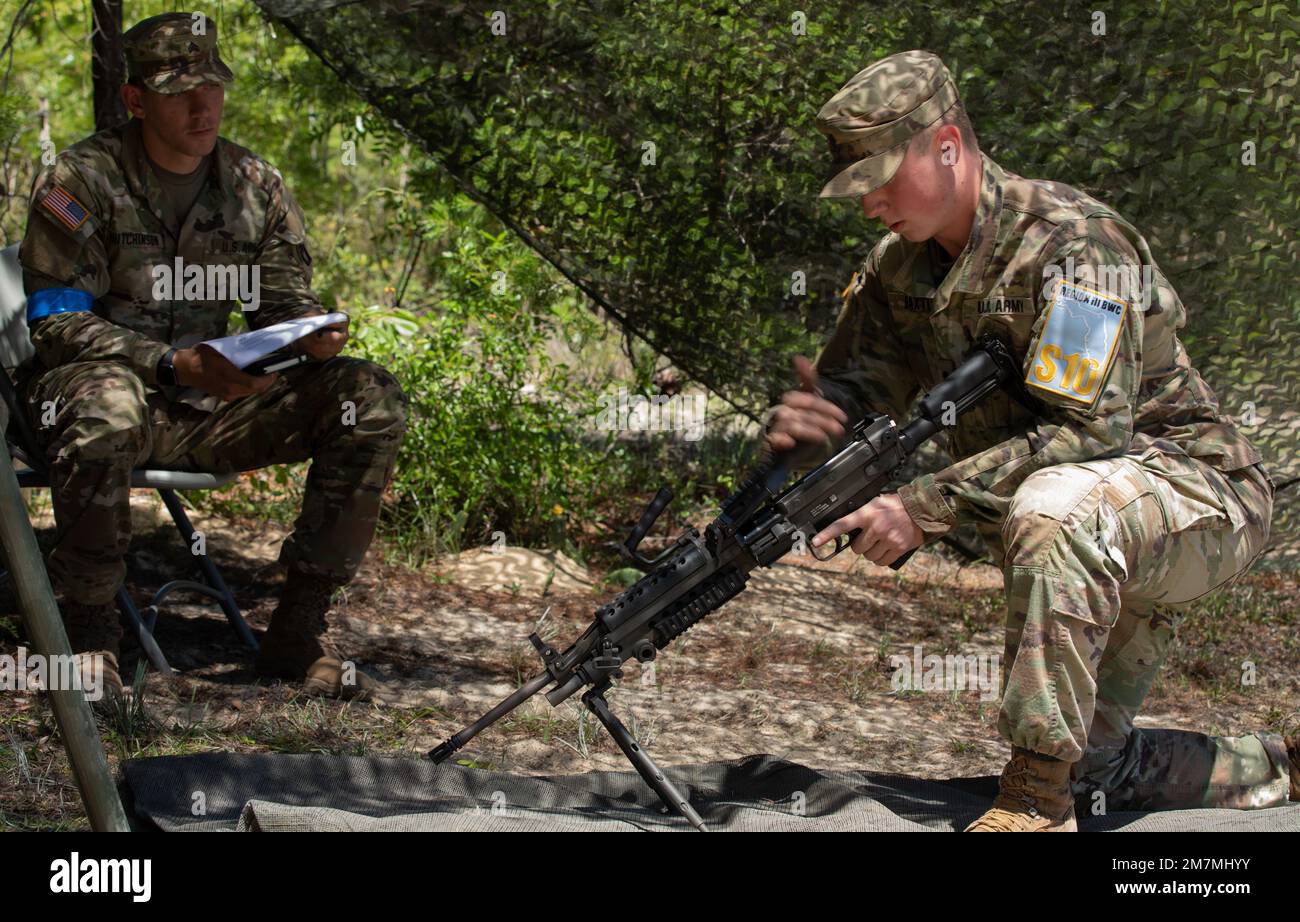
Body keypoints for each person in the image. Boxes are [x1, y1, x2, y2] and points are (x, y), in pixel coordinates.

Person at [764, 50, 1298, 830]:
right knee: (1102, 772)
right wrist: (807, 432)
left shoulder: (1077, 245)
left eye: (883, 177)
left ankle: (1033, 803)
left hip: (1193, 495)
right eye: (857, 187)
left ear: (947, 145)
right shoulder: (898, 268)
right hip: (1086, 520)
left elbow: (1090, 430)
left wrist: (920, 507)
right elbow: (852, 392)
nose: (871, 202)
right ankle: (1275, 767)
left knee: (1055, 505)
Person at [14, 12, 408, 702]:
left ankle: (298, 632)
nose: (203, 107)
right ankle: (87, 638)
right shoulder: (82, 178)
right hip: (100, 397)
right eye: (179, 92)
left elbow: (281, 303)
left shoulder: (255, 184)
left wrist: (306, 337)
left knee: (367, 396)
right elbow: (55, 321)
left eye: (213, 87)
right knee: (108, 401)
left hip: (212, 406)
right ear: (136, 100)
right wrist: (170, 363)